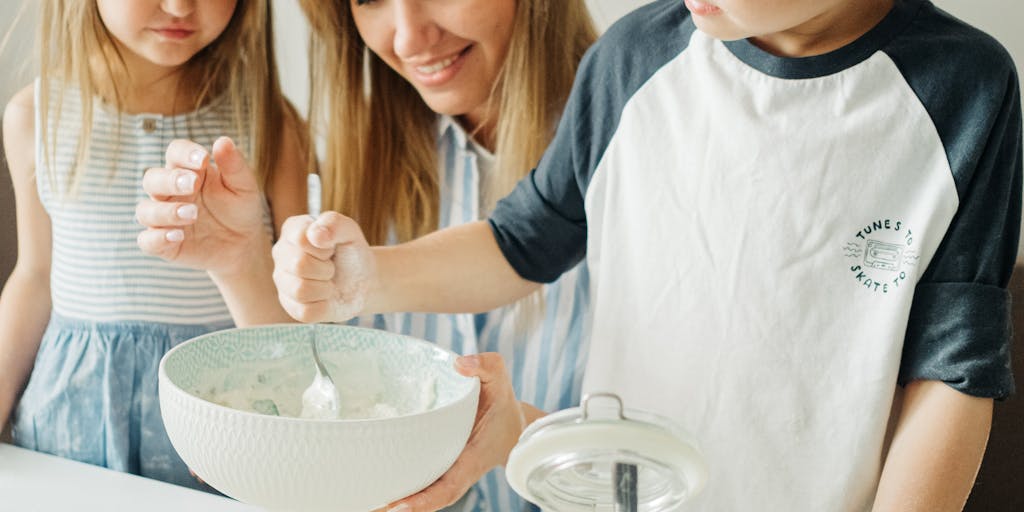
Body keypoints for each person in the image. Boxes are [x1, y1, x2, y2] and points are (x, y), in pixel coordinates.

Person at [271, 0, 1022, 510]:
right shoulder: (634, 60)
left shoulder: (965, 90)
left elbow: (952, 376)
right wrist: (369, 276)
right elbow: (518, 242)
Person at [134, 0, 597, 509]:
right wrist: (238, 261)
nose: (408, 39)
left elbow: (674, 465)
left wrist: (515, 435)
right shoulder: (362, 164)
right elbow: (324, 398)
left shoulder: (638, 151)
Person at [0, 0, 308, 490]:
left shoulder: (272, 123)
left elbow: (297, 312)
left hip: (219, 418)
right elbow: (35, 276)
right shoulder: (33, 115)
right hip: (70, 417)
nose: (179, 6)